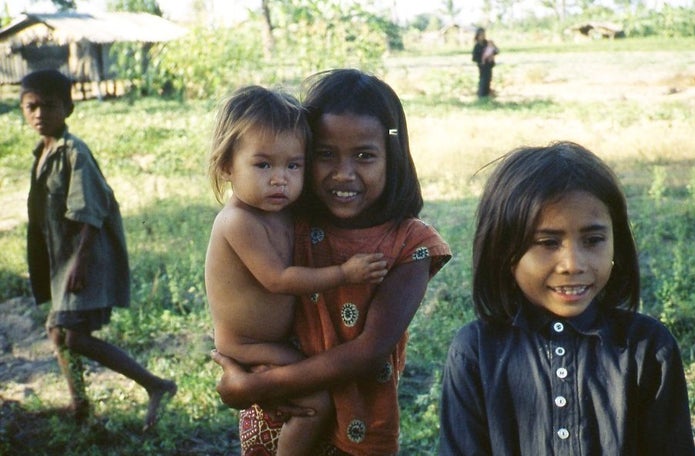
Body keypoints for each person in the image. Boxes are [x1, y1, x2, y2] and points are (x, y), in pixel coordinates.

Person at [211, 69, 452, 455]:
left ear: (393, 155)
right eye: (324, 154)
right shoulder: (293, 222)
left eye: (365, 155)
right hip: (284, 414)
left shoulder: (412, 247)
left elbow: (369, 350)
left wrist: (254, 386)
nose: (344, 173)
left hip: (355, 425)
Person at [439, 141, 695, 455]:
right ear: (504, 250)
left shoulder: (649, 349)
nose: (573, 264)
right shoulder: (475, 352)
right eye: (547, 242)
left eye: (593, 240)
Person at [204, 85, 389, 456]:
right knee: (317, 401)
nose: (280, 178)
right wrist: (344, 273)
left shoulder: (282, 212)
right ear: (227, 166)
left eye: (293, 165)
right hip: (249, 345)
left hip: (275, 342)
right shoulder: (239, 221)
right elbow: (278, 279)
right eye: (263, 165)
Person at [21, 69, 176, 430]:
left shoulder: (75, 153)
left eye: (49, 105)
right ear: (23, 110)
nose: (40, 113)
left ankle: (156, 385)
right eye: (32, 106)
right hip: (63, 260)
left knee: (71, 334)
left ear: (68, 108)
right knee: (58, 332)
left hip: (84, 257)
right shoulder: (42, 153)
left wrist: (79, 262)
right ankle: (80, 406)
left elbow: (91, 211)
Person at [472, 27, 498, 98]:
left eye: (483, 34)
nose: (482, 36)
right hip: (482, 66)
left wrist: (493, 50)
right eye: (480, 35)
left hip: (489, 65)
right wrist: (481, 60)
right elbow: (474, 58)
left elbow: (495, 51)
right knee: (483, 80)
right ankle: (481, 95)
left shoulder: (487, 43)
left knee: (488, 79)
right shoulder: (477, 46)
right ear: (477, 36)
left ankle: (487, 94)